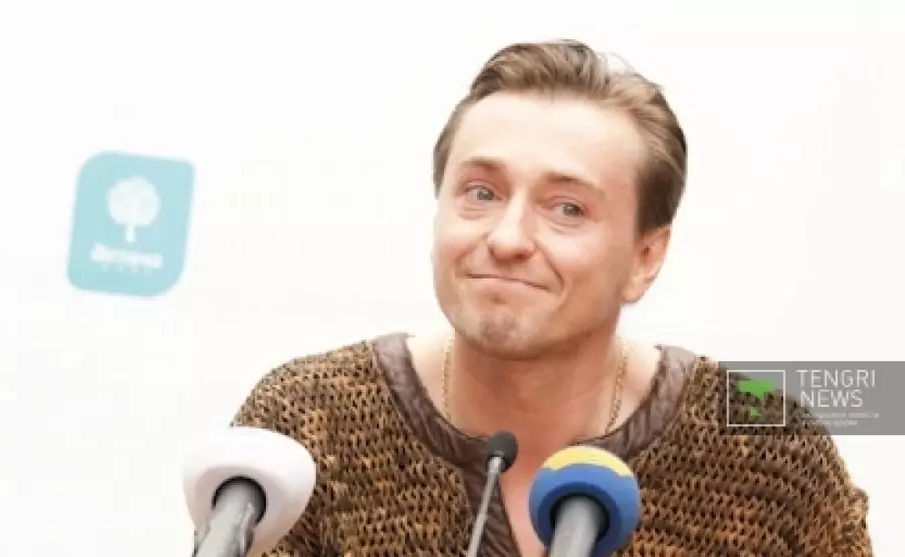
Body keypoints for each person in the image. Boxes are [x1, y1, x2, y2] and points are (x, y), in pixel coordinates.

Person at [214, 39, 873, 556]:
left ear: (645, 258)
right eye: (481, 193)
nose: (507, 239)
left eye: (566, 208)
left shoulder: (767, 444)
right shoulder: (308, 420)